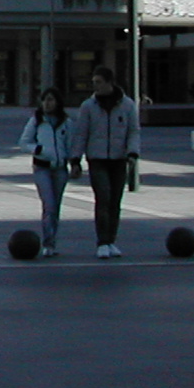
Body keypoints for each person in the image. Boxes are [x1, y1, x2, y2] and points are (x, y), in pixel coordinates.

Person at [68, 65, 141, 259]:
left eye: (99, 82)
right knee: (103, 197)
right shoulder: (88, 106)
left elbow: (133, 131)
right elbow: (81, 133)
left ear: (110, 83)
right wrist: (76, 159)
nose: (95, 86)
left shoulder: (127, 105)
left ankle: (111, 240)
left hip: (119, 159)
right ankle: (102, 241)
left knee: (115, 201)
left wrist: (132, 153)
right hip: (97, 158)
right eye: (93, 82)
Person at [20, 88, 72, 258]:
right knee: (48, 205)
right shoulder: (36, 121)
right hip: (42, 167)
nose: (47, 104)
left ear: (57, 102)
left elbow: (70, 145)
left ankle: (52, 240)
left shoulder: (66, 122)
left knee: (55, 206)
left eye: (50, 100)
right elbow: (24, 141)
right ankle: (47, 243)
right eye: (44, 100)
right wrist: (37, 149)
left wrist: (75, 162)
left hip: (60, 168)